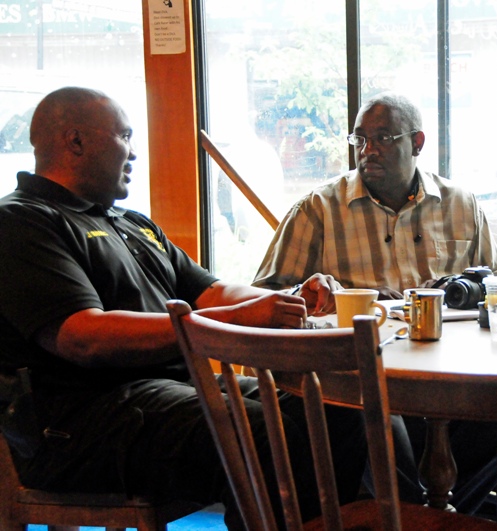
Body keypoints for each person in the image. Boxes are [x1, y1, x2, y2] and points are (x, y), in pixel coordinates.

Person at [0, 87, 366, 531]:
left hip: (167, 391)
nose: (134, 154)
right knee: (259, 432)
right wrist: (230, 323)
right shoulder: (23, 221)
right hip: (77, 422)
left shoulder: (130, 223)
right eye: (125, 137)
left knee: (334, 405)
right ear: (75, 142)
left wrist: (289, 298)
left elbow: (210, 293)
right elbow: (84, 336)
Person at [253, 91, 497, 514]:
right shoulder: (318, 210)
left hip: (453, 370)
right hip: (361, 377)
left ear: (418, 142)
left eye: (384, 138)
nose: (368, 151)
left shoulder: (461, 205)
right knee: (377, 425)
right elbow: (263, 300)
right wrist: (309, 294)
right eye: (359, 139)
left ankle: (441, 517)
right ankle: (417, 518)